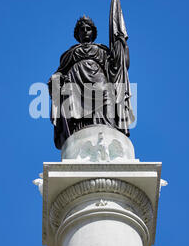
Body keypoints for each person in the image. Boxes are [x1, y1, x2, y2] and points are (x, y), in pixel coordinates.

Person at [48, 16, 134, 149]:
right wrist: (55, 78)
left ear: (93, 32)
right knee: (76, 117)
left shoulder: (103, 50)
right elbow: (61, 71)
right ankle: (78, 142)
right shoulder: (70, 53)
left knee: (106, 109)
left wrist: (122, 46)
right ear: (78, 34)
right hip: (75, 83)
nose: (85, 31)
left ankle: (107, 140)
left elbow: (117, 67)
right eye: (82, 29)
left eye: (88, 29)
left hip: (99, 81)